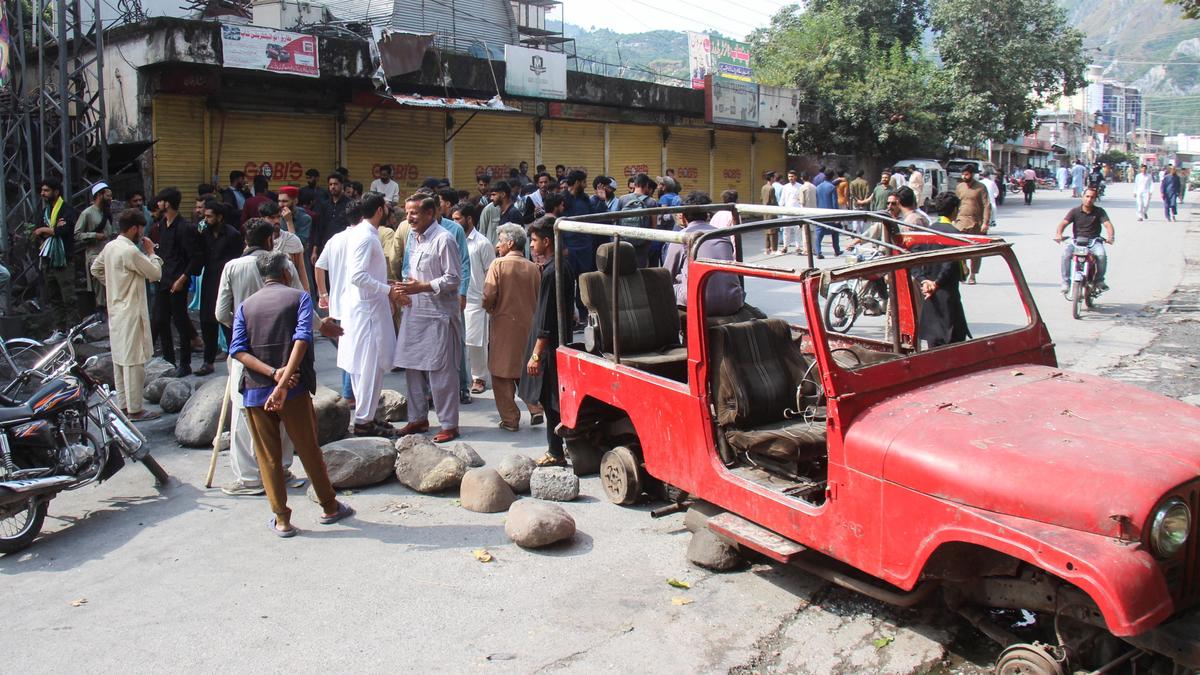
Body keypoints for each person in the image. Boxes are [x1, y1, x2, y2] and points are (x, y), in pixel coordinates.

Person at [230, 251, 353, 537]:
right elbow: (302, 339)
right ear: (287, 272)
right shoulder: (299, 298)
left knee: (268, 457)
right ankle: (330, 507)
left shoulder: (247, 306)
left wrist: (273, 376)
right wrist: (284, 381)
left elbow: (237, 350)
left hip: (256, 390)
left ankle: (282, 519)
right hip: (294, 389)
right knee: (308, 448)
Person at [217, 221, 310, 495]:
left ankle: (249, 479)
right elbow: (301, 302)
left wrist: (241, 330)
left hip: (247, 353)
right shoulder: (284, 264)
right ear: (271, 239)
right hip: (284, 350)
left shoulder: (233, 267)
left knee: (245, 414)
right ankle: (282, 468)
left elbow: (221, 312)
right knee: (286, 409)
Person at [393, 193, 463, 443]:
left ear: (430, 214)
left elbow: (454, 279)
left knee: (441, 372)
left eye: (414, 213)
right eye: (407, 212)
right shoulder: (413, 237)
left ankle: (449, 424)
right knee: (412, 367)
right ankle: (418, 418)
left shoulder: (444, 239)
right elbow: (413, 275)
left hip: (438, 315)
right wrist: (403, 290)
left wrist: (422, 286)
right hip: (415, 312)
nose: (409, 217)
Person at [89, 209, 163, 421]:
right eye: (140, 229)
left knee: (120, 359)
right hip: (130, 311)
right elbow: (155, 273)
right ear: (134, 228)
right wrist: (152, 253)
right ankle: (135, 409)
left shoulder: (111, 246)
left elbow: (96, 269)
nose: (142, 234)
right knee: (133, 361)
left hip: (115, 309)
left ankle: (123, 405)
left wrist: (113, 284)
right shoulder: (130, 251)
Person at [338, 193, 399, 437]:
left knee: (365, 365)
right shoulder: (364, 237)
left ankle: (368, 416)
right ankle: (363, 421)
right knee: (369, 366)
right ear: (379, 211)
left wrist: (387, 286)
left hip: (366, 308)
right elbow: (357, 276)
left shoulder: (363, 234)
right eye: (386, 207)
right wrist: (389, 290)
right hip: (367, 311)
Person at [482, 223, 541, 431]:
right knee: (524, 368)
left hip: (504, 324)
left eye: (500, 241)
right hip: (529, 326)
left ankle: (510, 420)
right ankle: (535, 408)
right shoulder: (533, 267)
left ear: (510, 243)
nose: (497, 246)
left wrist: (489, 308)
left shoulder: (498, 265)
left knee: (501, 372)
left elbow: (488, 296)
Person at [526, 216, 574, 467]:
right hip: (561, 340)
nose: (532, 246)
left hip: (551, 346)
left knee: (550, 398)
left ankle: (555, 451)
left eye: (534, 241)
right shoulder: (561, 266)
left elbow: (546, 319)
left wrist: (536, 354)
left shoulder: (553, 272)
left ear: (547, 241)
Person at [662, 192, 745, 316]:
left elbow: (666, 274)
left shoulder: (682, 237)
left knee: (666, 287)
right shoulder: (722, 234)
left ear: (683, 217)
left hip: (700, 302)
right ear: (707, 215)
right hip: (734, 301)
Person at [151, 187, 201, 377]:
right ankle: (169, 360)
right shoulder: (161, 226)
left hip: (177, 282)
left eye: (161, 201)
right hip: (162, 280)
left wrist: (182, 279)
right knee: (161, 321)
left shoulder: (184, 228)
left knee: (180, 322)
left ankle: (185, 363)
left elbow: (195, 257)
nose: (158, 204)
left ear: (168, 203)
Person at [192, 201, 244, 376]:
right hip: (209, 280)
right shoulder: (203, 233)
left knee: (228, 321)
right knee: (207, 321)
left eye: (209, 216)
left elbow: (237, 260)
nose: (205, 219)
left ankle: (235, 358)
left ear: (219, 217)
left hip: (227, 283)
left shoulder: (232, 235)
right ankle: (208, 361)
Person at [911, 192, 968, 348]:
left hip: (929, 296)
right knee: (953, 344)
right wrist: (936, 283)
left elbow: (913, 259)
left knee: (933, 344)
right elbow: (950, 264)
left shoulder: (925, 232)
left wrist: (924, 281)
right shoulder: (954, 233)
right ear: (955, 210)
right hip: (948, 297)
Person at [456, 202, 496, 396]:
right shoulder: (453, 239)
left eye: (458, 219)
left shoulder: (482, 243)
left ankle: (479, 378)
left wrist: (488, 298)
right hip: (456, 297)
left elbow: (490, 273)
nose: (454, 222)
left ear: (469, 219)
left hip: (476, 299)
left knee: (476, 342)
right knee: (458, 342)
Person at [30, 178, 76, 338]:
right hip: (48, 260)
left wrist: (46, 229)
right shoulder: (44, 212)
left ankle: (74, 330)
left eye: (46, 190)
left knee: (68, 297)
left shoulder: (67, 210)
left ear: (56, 192)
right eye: (42, 190)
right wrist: (52, 229)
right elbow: (37, 231)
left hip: (63, 260)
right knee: (55, 297)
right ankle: (61, 330)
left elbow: (64, 231)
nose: (43, 194)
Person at [1053, 187, 1114, 295]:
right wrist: (1059, 234)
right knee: (1065, 255)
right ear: (1082, 197)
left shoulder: (1099, 211)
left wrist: (1110, 236)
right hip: (1077, 241)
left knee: (1101, 255)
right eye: (1087, 196)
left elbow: (1108, 225)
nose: (1089, 199)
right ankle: (1066, 282)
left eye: (1092, 197)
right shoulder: (1074, 211)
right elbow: (1063, 223)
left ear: (1095, 199)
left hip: (1094, 241)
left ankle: (1100, 280)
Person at [75, 182, 116, 312]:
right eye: (108, 196)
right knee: (98, 277)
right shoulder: (86, 213)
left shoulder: (107, 213)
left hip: (109, 252)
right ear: (99, 195)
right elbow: (77, 234)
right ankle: (100, 306)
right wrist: (94, 235)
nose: (110, 199)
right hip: (94, 252)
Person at [259, 201, 311, 292]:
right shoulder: (258, 241)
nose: (276, 221)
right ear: (262, 219)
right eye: (271, 218)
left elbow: (302, 272)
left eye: (278, 217)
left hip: (291, 292)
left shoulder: (292, 240)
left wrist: (307, 295)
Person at [953, 165, 991, 284]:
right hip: (961, 222)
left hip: (976, 223)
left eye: (967, 174)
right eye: (963, 174)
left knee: (975, 251)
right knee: (960, 248)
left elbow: (986, 205)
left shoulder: (981, 187)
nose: (964, 176)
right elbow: (955, 204)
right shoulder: (959, 187)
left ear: (972, 174)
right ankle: (964, 269)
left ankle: (973, 274)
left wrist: (985, 223)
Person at [311, 173, 352, 265]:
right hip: (326, 248)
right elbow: (319, 229)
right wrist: (314, 251)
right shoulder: (324, 205)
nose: (333, 187)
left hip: (344, 248)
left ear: (342, 185)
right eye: (330, 184)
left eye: (335, 184)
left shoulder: (349, 204)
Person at [814, 174, 841, 258]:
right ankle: (837, 250)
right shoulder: (832, 187)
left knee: (819, 233)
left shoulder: (817, 187)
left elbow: (816, 200)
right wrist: (837, 216)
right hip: (830, 214)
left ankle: (818, 252)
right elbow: (834, 203)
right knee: (835, 231)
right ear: (832, 177)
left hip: (820, 213)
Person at [779, 170, 804, 254]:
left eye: (792, 176)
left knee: (797, 230)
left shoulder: (800, 187)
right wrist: (780, 209)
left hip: (797, 211)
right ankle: (785, 246)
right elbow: (782, 199)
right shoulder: (785, 187)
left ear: (795, 177)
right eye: (789, 176)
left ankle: (798, 247)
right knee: (786, 230)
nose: (790, 178)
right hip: (787, 211)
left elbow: (801, 200)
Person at [761, 171, 779, 255]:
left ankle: (767, 248)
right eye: (774, 177)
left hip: (765, 211)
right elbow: (773, 201)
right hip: (771, 211)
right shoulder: (771, 188)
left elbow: (761, 198)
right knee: (773, 231)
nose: (775, 178)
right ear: (771, 178)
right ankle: (774, 249)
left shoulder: (763, 187)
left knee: (767, 230)